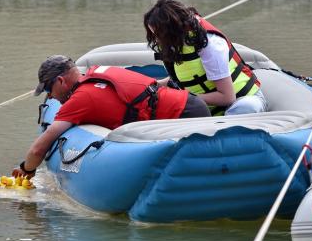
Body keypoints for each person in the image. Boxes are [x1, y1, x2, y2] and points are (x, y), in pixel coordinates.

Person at [12, 55, 210, 179]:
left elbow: (39, 148)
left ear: (61, 81)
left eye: (48, 89)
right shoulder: (97, 74)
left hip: (184, 117)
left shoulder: (80, 100)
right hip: (193, 105)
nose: (50, 97)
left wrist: (26, 170)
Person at [144, 0, 268, 116]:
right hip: (206, 108)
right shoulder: (177, 42)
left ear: (173, 30)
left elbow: (227, 97)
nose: (157, 40)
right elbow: (184, 78)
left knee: (246, 107)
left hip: (240, 101)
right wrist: (153, 85)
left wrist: (183, 99)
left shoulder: (210, 44)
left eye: (159, 34)